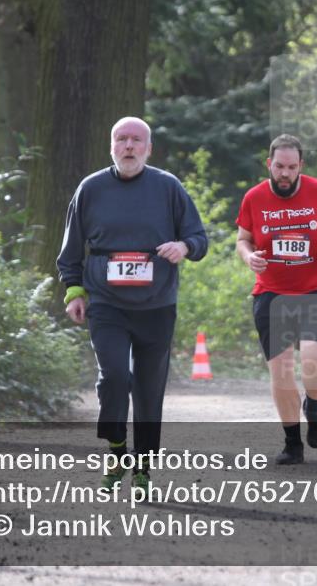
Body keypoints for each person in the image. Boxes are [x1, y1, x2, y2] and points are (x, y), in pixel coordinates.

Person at [57, 116, 208, 489]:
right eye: (121, 139)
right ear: (111, 146)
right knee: (114, 376)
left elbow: (198, 238)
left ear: (148, 148)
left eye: (136, 140)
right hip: (106, 301)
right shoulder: (90, 188)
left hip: (157, 303)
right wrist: (75, 291)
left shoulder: (168, 187)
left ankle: (143, 466)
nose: (128, 146)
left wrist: (183, 246)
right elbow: (71, 247)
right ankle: (116, 448)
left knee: (148, 386)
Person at [236, 134, 317, 465]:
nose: (285, 173)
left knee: (315, 359)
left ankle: (314, 406)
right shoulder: (254, 197)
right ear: (269, 164)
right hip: (270, 293)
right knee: (282, 371)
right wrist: (248, 258)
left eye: (291, 167)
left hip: (315, 289)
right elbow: (243, 240)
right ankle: (292, 443)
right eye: (279, 167)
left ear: (301, 165)